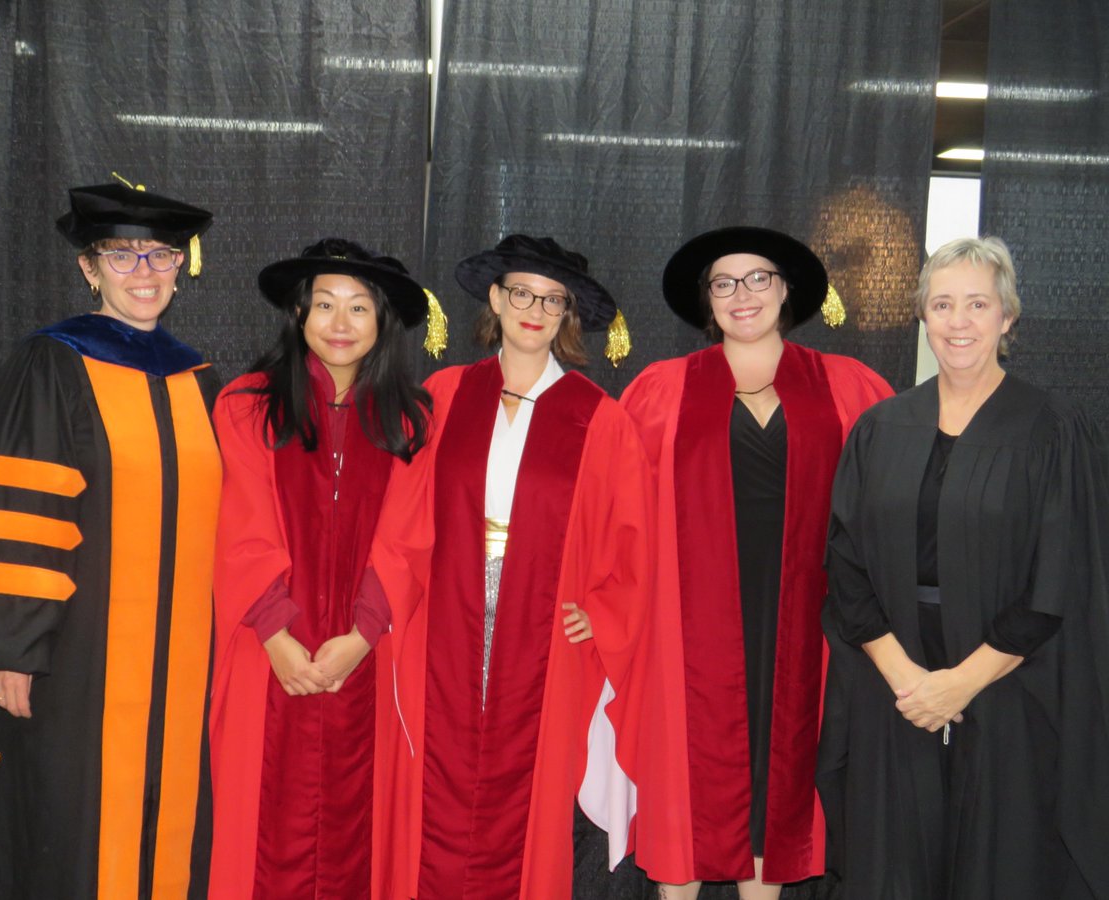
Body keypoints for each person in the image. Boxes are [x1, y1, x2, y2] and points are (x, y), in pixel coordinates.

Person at [0, 181, 218, 898]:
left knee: (169, 819)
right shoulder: (54, 363)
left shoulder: (200, 380)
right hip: (75, 658)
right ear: (88, 268)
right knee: (72, 824)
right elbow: (15, 507)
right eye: (121, 256)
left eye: (160, 255)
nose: (144, 272)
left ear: (180, 267)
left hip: (182, 662)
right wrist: (11, 649)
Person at [817, 236, 1109, 899]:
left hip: (1011, 684)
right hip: (897, 685)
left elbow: (1058, 578)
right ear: (923, 316)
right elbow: (847, 563)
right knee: (896, 862)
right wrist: (908, 679)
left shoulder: (1053, 431)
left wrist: (960, 684)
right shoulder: (881, 428)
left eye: (978, 304)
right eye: (943, 304)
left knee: (1000, 863)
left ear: (1008, 317)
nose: (958, 321)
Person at [365, 234, 653, 899]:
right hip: (446, 617)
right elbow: (404, 515)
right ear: (495, 299)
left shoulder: (599, 418)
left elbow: (633, 539)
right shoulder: (446, 393)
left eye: (552, 300)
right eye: (521, 293)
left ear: (567, 314)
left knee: (527, 786)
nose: (535, 310)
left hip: (543, 633)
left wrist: (602, 611)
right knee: (436, 779)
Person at [621, 227, 892, 899]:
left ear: (785, 288)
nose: (742, 295)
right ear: (707, 299)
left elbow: (891, 504)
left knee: (783, 773)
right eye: (724, 282)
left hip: (807, 619)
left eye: (758, 278)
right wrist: (594, 597)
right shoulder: (661, 389)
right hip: (686, 619)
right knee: (686, 773)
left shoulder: (848, 386)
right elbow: (613, 508)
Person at [207, 238, 432, 899]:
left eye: (359, 307)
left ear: (382, 320)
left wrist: (361, 636)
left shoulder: (411, 417)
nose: (340, 322)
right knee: (263, 824)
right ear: (299, 313)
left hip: (368, 655)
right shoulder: (247, 404)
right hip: (267, 650)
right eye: (325, 304)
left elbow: (410, 536)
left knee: (356, 826)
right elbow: (240, 525)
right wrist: (277, 635)